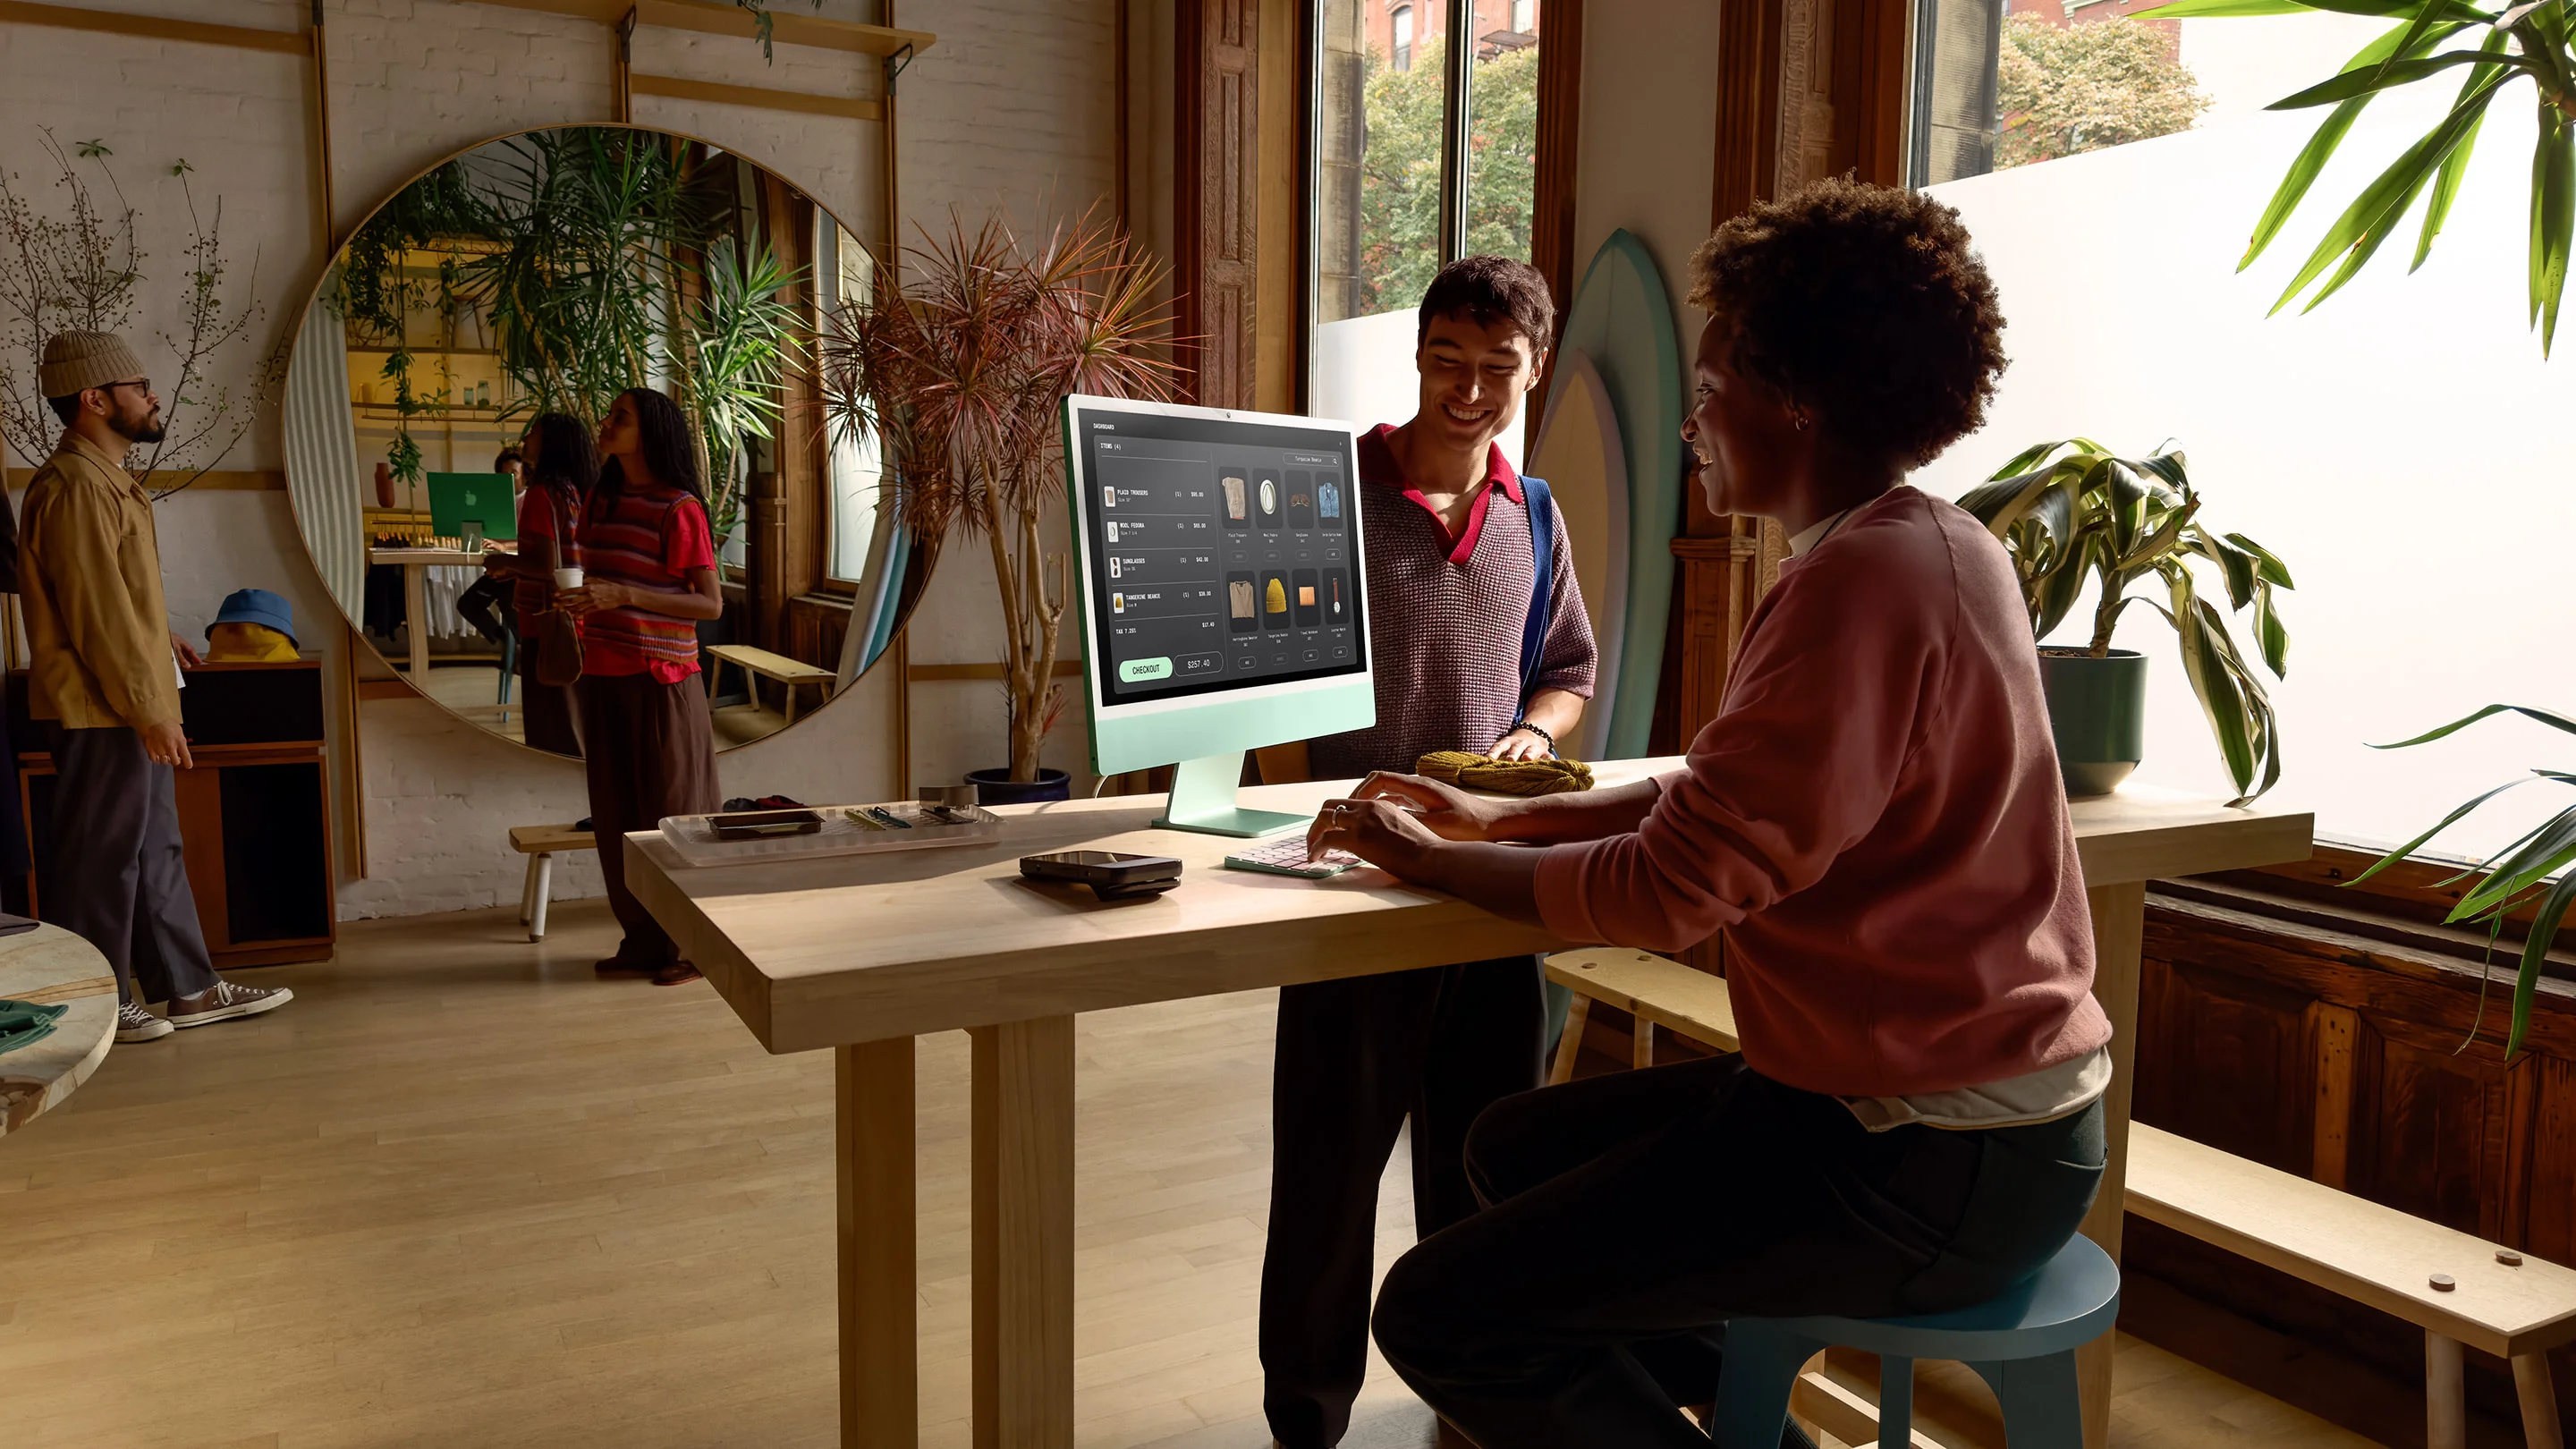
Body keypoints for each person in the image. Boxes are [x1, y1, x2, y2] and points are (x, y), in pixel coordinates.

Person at [1311, 180, 2111, 1448]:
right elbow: (1716, 795)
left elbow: (1671, 888)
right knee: (1515, 1147)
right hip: (1938, 1114)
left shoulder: (1859, 584)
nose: (1693, 419)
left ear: (1791, 393)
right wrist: (1490, 818)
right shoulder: (1928, 543)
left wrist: (1435, 858)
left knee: (1441, 1313)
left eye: (1712, 380)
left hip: (1924, 1158)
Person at [1261, 255, 1596, 1449]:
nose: (1469, 387)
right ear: (1418, 354)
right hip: (1352, 887)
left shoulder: (1534, 513)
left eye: (1496, 367)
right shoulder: (1330, 491)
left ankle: (1471, 1400)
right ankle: (1306, 1417)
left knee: (1480, 1169)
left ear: (1531, 369)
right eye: (1449, 359)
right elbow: (1257, 664)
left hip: (1491, 893)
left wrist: (1526, 737)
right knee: (1328, 1179)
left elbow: (1566, 671)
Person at [20, 331, 293, 1042]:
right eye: (140, 386)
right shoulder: (77, 485)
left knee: (153, 848)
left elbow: (115, 601)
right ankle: (97, 1006)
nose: (153, 396)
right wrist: (149, 708)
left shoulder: (104, 481)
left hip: (126, 697)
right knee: (101, 859)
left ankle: (191, 989)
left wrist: (161, 642)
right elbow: (97, 616)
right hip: (101, 707)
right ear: (94, 399)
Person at [557, 388, 722, 986]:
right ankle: (642, 940)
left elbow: (707, 602)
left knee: (676, 817)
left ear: (650, 431)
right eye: (607, 414)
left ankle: (693, 947)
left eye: (620, 417)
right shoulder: (599, 500)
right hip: (601, 678)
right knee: (617, 821)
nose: (605, 423)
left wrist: (622, 595)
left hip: (663, 683)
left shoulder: (679, 508)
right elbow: (595, 577)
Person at [481, 418, 595, 756]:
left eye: (533, 434)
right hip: (572, 611)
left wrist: (504, 563)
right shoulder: (573, 490)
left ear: (550, 445)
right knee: (572, 711)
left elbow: (546, 565)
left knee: (549, 719)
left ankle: (557, 783)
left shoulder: (541, 494)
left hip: (543, 617)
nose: (526, 438)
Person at [453, 446, 524, 653]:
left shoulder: (531, 500)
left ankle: (522, 650)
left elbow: (531, 541)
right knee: (467, 604)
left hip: (517, 572)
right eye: (503, 476)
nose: (509, 479)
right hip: (498, 570)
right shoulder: (493, 501)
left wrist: (504, 546)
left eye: (514, 474)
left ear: (525, 475)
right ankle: (507, 642)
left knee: (509, 604)